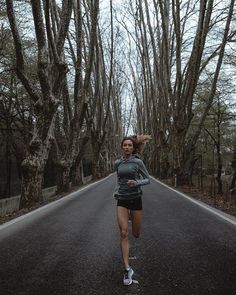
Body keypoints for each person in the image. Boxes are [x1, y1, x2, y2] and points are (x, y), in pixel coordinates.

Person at [114, 135, 151, 286]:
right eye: (125, 145)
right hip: (121, 199)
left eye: (130, 145)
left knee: (135, 233)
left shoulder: (138, 162)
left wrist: (136, 182)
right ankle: (127, 268)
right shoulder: (118, 163)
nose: (127, 147)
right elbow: (119, 180)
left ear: (133, 148)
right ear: (122, 147)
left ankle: (132, 219)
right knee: (123, 232)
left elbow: (147, 179)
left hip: (135, 199)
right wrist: (116, 190)